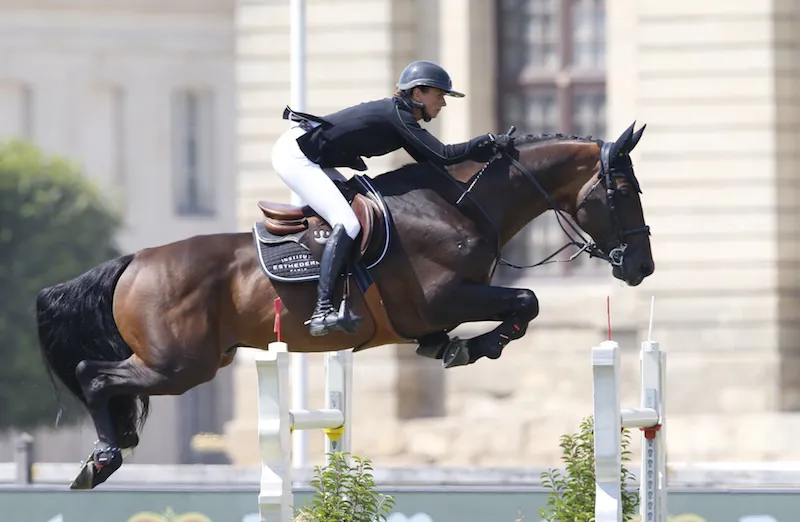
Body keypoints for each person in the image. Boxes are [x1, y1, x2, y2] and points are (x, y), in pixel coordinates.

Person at [270, 60, 514, 337]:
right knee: (348, 223)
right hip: (296, 156)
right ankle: (322, 309)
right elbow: (445, 154)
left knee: (358, 217)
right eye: (440, 95)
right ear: (418, 93)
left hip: (313, 157)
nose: (443, 104)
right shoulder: (397, 115)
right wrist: (485, 141)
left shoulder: (401, 117)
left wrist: (489, 153)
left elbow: (435, 162)